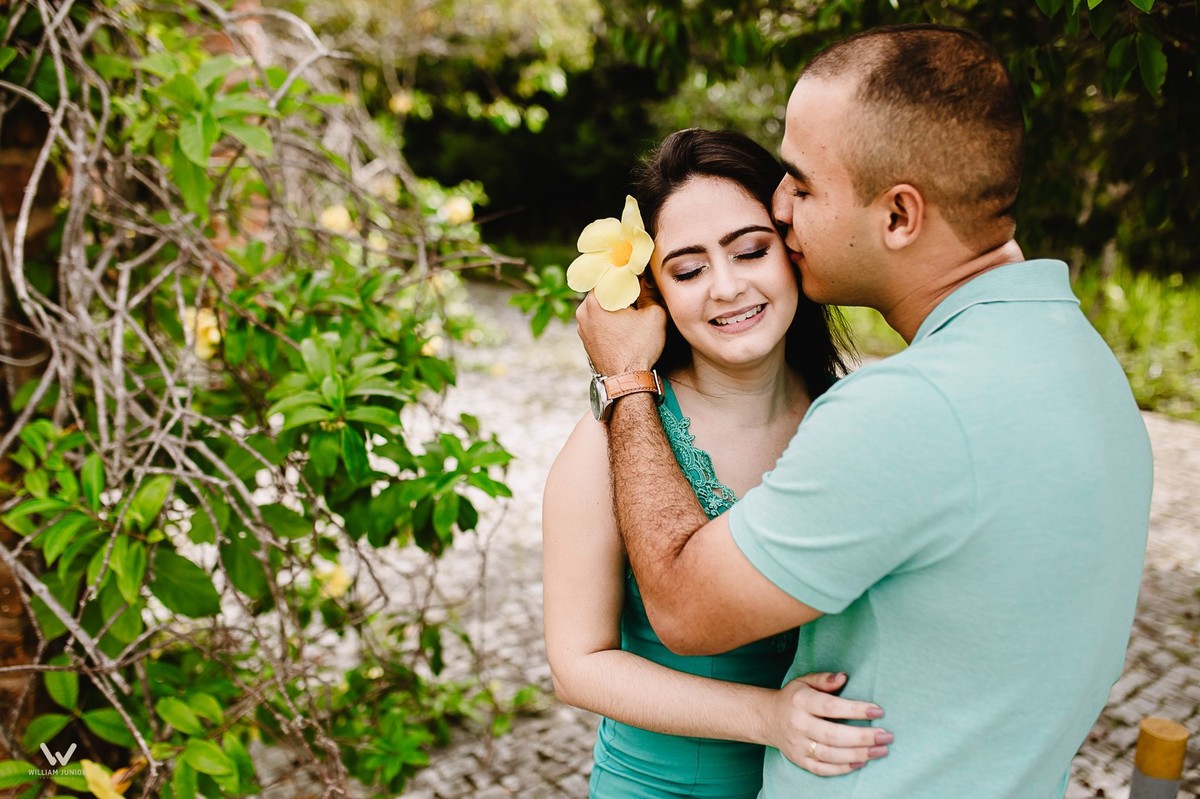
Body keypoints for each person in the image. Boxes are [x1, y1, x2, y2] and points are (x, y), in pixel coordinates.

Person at [574, 24, 1153, 799]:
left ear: (899, 216)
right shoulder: (1081, 360)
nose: (781, 208)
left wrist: (625, 381)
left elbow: (683, 604)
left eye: (803, 185)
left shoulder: (905, 411)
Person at [542, 129, 893, 799]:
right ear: (654, 294)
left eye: (750, 250)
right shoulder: (609, 441)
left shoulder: (855, 416)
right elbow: (578, 664)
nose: (727, 287)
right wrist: (768, 717)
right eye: (689, 268)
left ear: (792, 249)